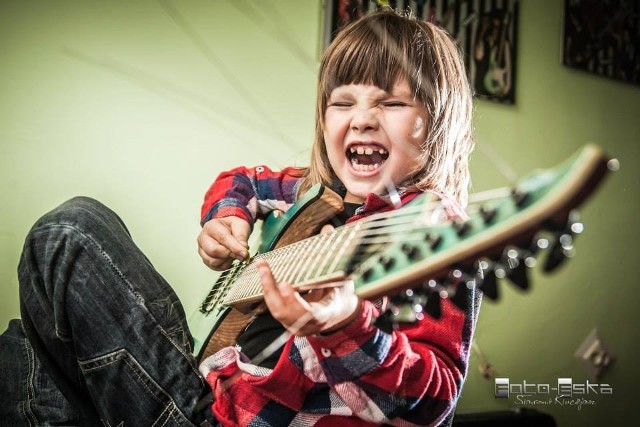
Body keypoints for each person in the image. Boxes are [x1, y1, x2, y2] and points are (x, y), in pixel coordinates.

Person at [0, 9, 477, 427]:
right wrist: (228, 218)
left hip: (231, 420)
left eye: (391, 103)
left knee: (69, 234)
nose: (362, 119)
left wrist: (346, 323)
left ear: (438, 120)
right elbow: (244, 180)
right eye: (343, 102)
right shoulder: (314, 192)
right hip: (211, 385)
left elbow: (433, 402)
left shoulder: (432, 227)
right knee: (27, 345)